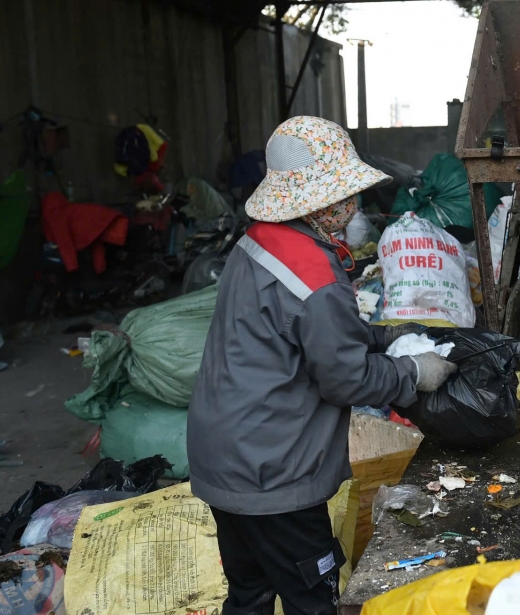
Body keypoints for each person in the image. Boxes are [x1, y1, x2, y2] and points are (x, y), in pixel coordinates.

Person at [188, 116, 457, 615]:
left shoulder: (259, 242)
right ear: (319, 201)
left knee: (248, 595)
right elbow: (344, 378)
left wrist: (385, 335)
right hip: (274, 475)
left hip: (223, 457)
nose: (351, 206)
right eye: (344, 195)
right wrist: (414, 372)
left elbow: (298, 337)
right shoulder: (315, 274)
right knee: (312, 598)